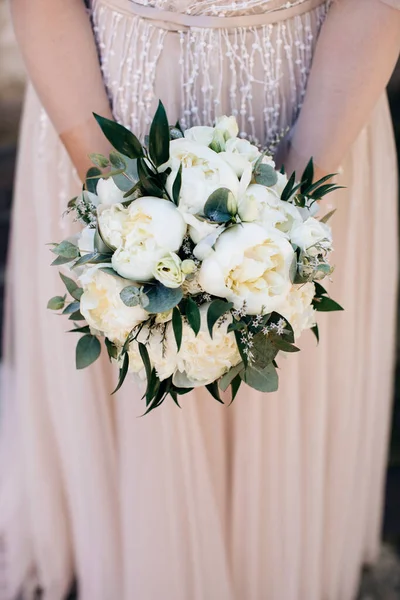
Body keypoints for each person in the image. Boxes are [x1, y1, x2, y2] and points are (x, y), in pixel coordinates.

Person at [1, 0, 400, 598]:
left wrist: (291, 204)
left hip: (316, 99)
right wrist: (115, 198)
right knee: (133, 351)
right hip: (103, 98)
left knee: (277, 333)